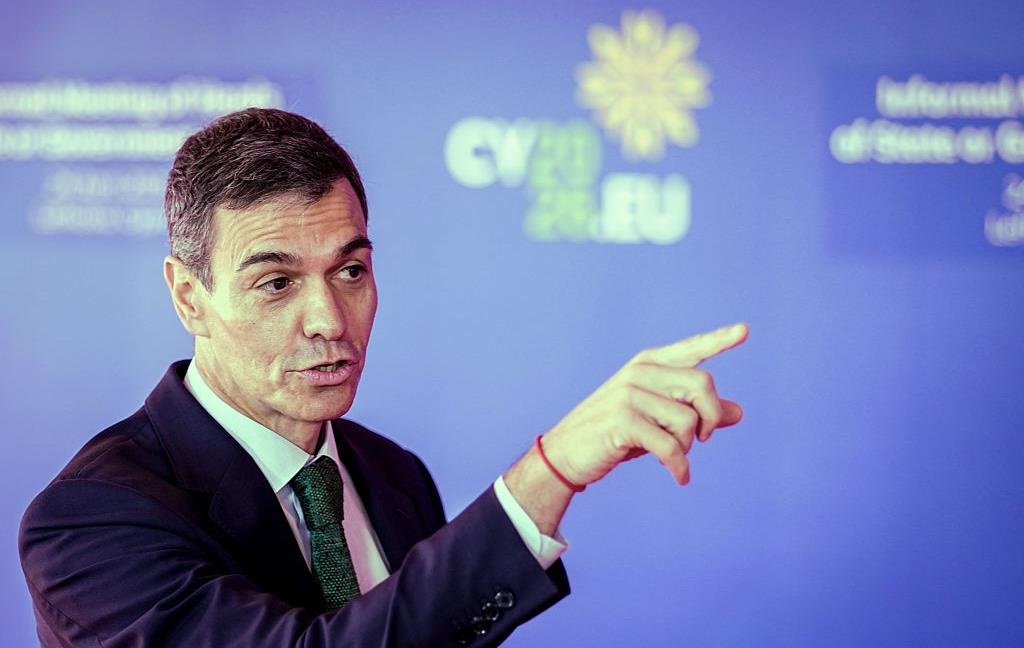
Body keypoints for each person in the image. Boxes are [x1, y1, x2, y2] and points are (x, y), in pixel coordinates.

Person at [19, 108, 748, 647]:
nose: (328, 319)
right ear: (188, 297)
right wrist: (548, 473)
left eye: (350, 271)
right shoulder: (88, 519)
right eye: (276, 283)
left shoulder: (394, 476)